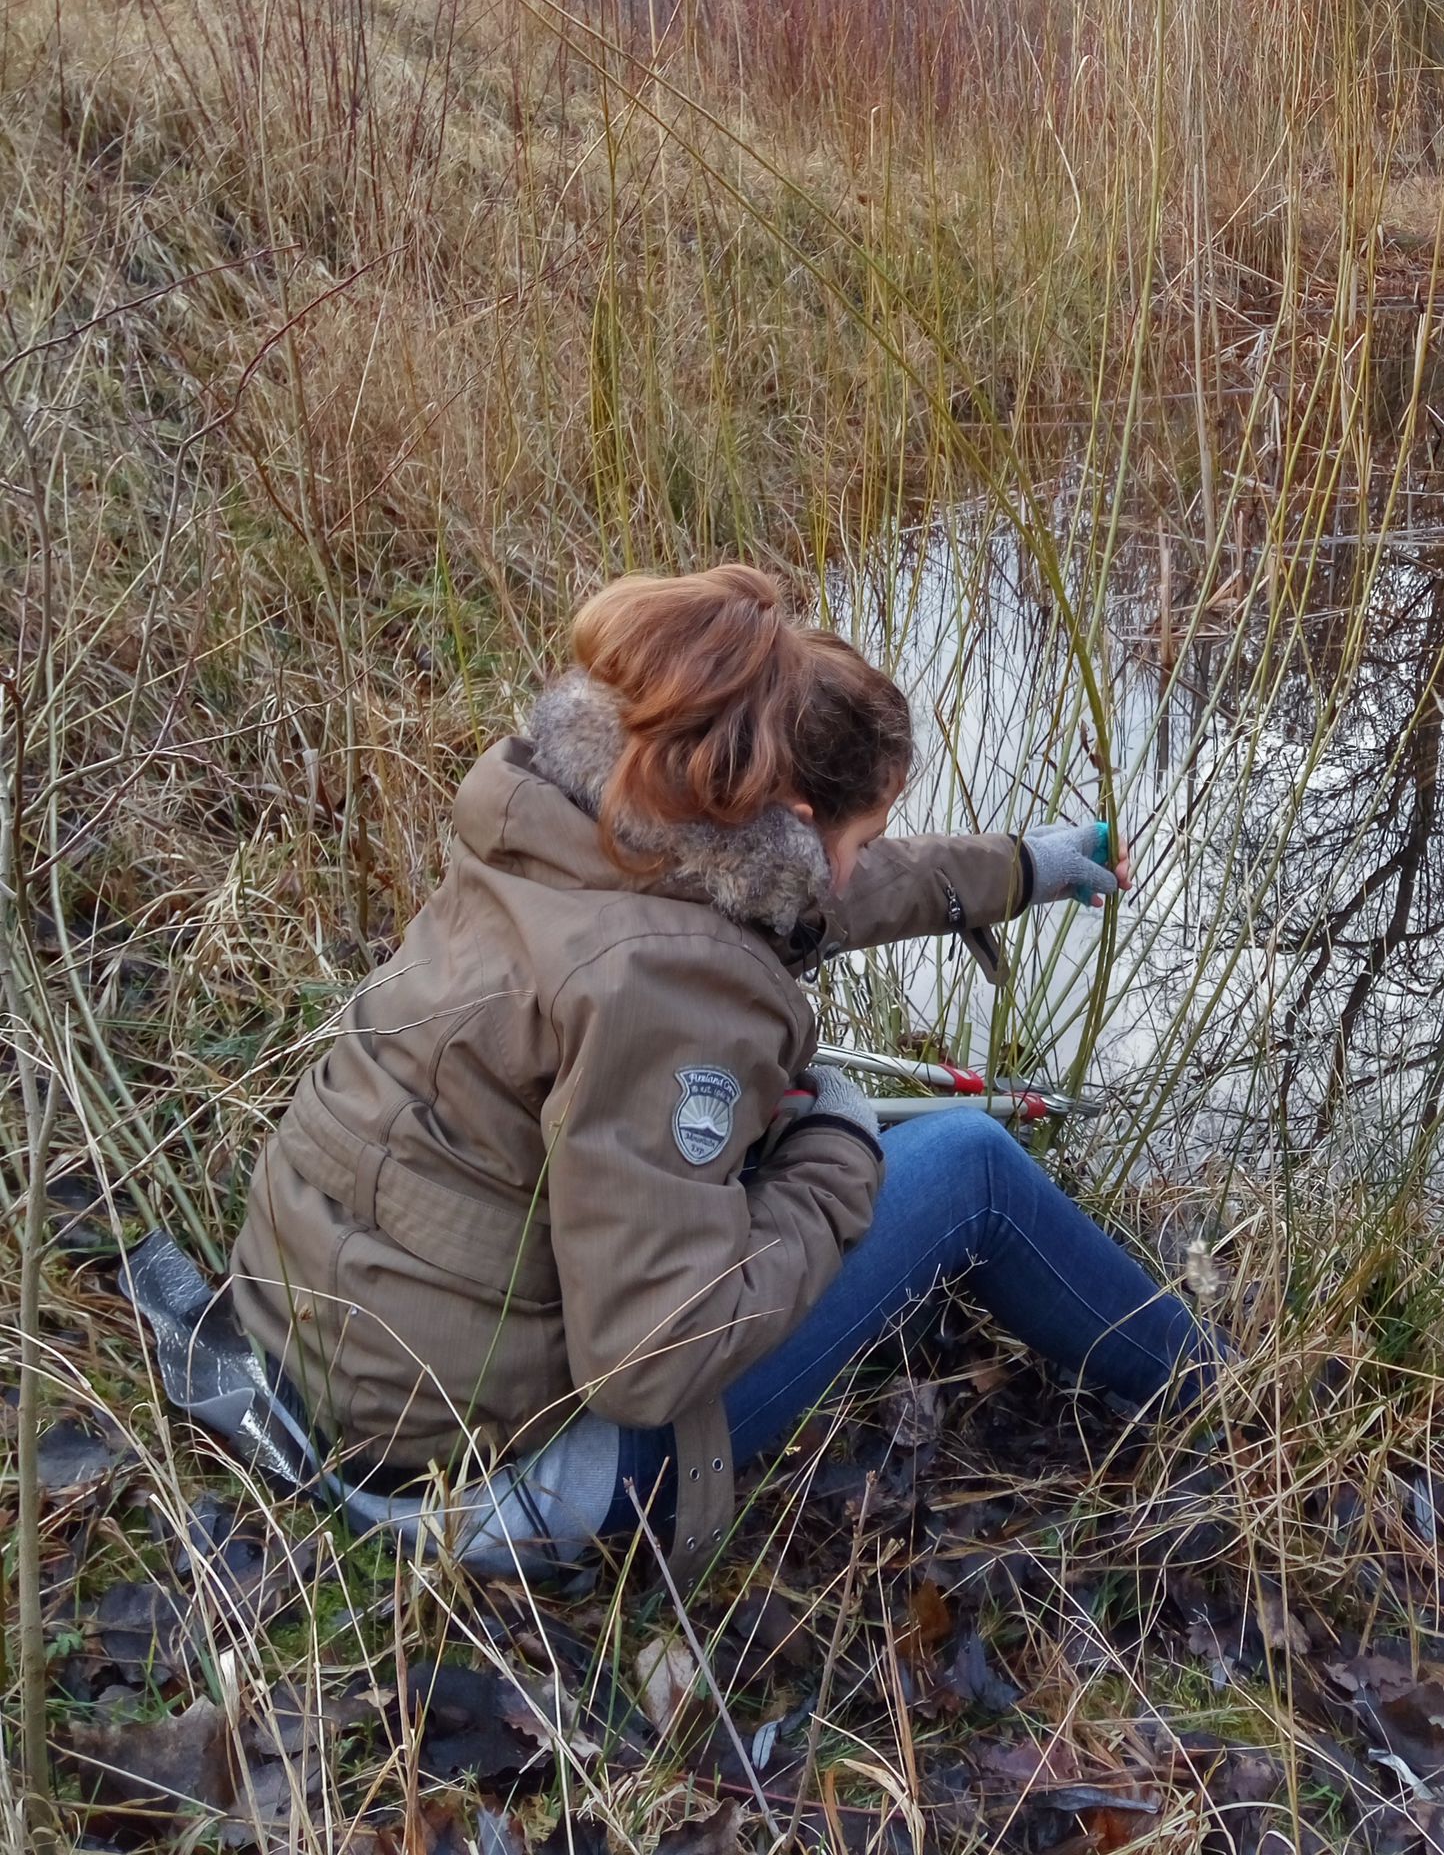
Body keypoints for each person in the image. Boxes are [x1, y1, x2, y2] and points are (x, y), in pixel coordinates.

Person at [230, 564, 1206, 1584]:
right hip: (483, 1481)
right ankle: (1212, 1397)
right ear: (783, 817)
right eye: (857, 837)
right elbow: (654, 1355)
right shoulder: (665, 983)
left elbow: (827, 889)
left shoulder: (575, 826)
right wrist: (836, 1145)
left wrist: (1022, 869)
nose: (852, 868)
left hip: (312, 1350)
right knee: (973, 1166)